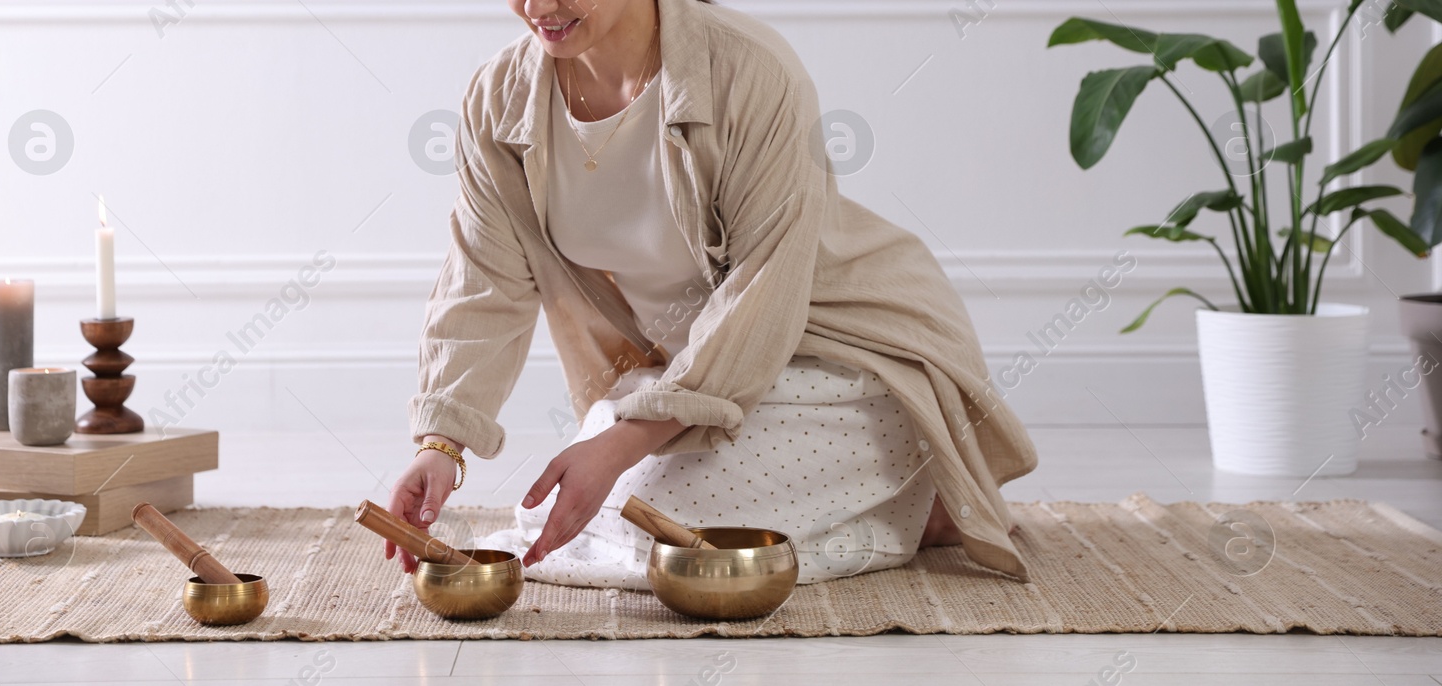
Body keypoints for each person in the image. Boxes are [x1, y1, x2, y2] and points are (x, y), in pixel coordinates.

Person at [385, 0, 1039, 588]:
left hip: (849, 353)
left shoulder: (750, 72)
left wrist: (620, 445)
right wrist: (440, 444)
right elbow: (484, 281)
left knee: (663, 515)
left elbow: (764, 290)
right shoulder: (499, 98)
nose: (540, 6)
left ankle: (929, 494)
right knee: (606, 506)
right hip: (693, 373)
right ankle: (877, 496)